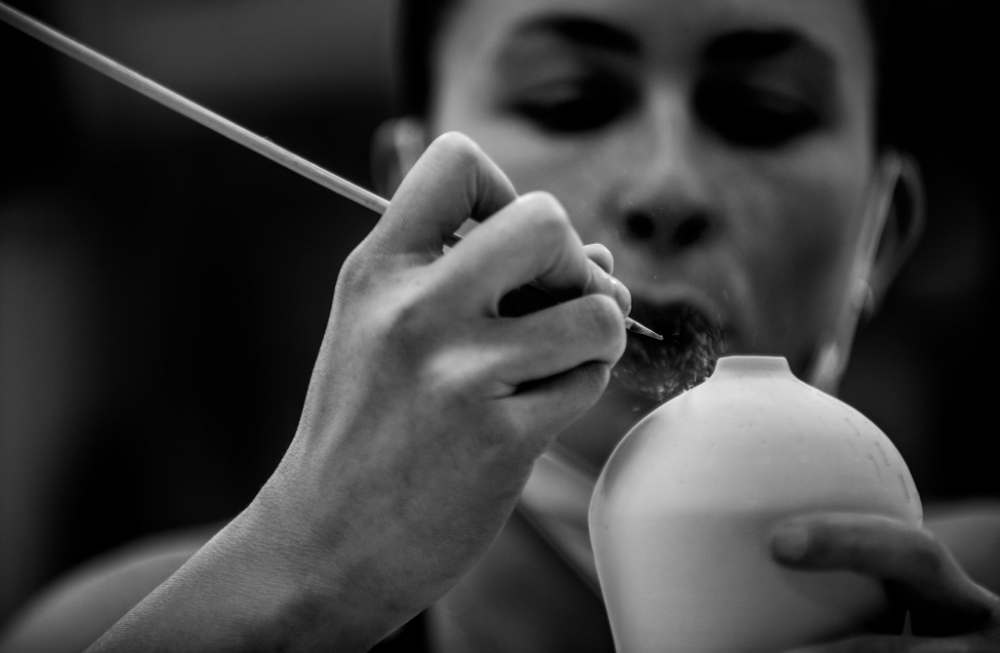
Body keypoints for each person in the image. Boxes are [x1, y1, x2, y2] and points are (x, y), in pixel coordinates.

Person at [2, 0, 999, 651]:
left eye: (763, 111)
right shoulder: (154, 624)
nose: (666, 188)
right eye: (570, 100)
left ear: (882, 229)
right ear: (412, 201)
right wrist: (297, 583)